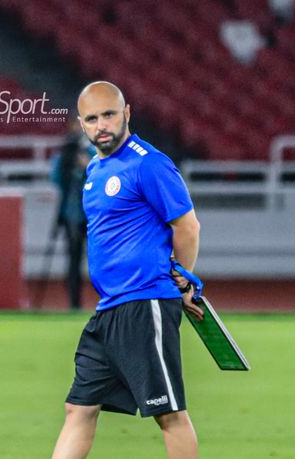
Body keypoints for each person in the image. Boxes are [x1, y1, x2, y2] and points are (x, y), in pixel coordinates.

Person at [52, 82, 203, 459]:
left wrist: (182, 280)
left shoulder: (148, 163)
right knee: (79, 408)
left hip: (145, 302)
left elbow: (187, 226)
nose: (101, 124)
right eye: (92, 118)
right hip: (109, 309)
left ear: (127, 114)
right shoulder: (95, 170)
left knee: (169, 414)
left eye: (109, 114)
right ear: (82, 124)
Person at [51, 121, 94, 309]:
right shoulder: (64, 156)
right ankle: (74, 302)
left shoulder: (93, 153)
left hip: (92, 216)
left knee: (99, 259)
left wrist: (87, 167)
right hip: (71, 215)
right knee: (73, 260)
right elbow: (57, 180)